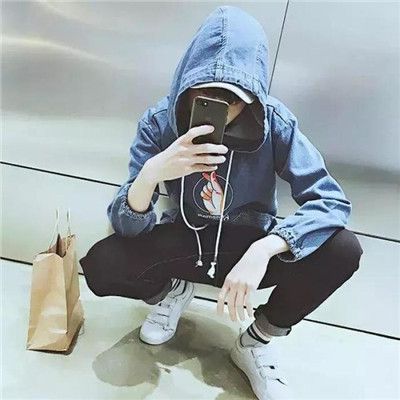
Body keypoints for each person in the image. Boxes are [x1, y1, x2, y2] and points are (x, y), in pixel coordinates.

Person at [79, 5, 364, 400]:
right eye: (203, 94)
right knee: (103, 263)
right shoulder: (160, 122)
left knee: (343, 249)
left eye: (231, 100)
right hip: (185, 238)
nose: (217, 109)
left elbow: (331, 201)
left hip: (247, 247)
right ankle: (172, 293)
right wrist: (151, 174)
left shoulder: (274, 124)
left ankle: (255, 341)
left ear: (251, 98)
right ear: (186, 82)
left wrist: (267, 248)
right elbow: (127, 227)